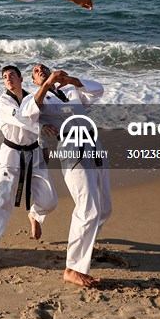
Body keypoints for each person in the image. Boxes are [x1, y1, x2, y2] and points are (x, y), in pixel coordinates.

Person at [30, 62, 109, 288]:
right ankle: (72, 268)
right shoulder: (36, 98)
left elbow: (97, 91)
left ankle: (84, 247)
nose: (40, 70)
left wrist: (72, 81)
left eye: (43, 67)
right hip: (71, 147)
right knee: (87, 208)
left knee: (104, 209)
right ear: (34, 81)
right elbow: (31, 112)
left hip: (94, 144)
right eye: (35, 72)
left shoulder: (70, 91)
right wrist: (45, 85)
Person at [0, 65, 58, 274]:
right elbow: (21, 118)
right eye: (4, 77)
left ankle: (35, 215)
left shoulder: (35, 98)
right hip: (12, 155)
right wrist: (40, 128)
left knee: (50, 200)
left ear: (21, 79)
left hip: (35, 153)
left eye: (12, 75)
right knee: (1, 199)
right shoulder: (3, 101)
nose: (8, 79)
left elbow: (46, 122)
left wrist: (46, 148)